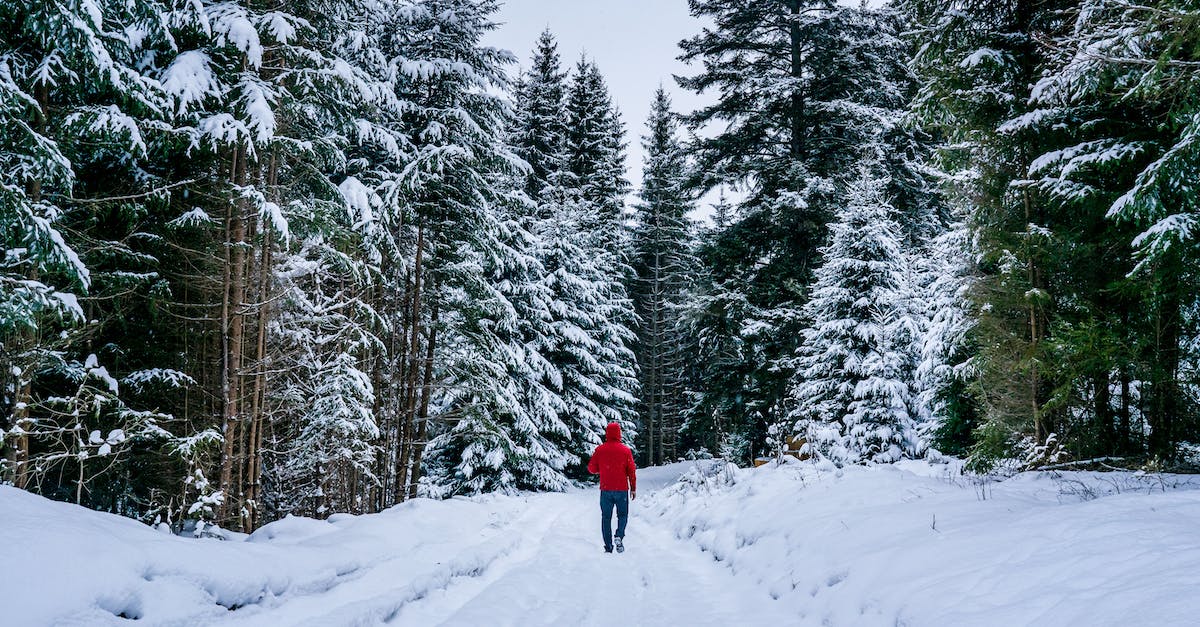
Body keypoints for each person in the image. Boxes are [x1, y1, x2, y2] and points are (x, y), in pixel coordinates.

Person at [587, 422, 637, 553]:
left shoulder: (600, 450)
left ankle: (608, 547)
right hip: (621, 490)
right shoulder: (626, 451)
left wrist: (602, 469)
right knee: (622, 515)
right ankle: (619, 535)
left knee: (606, 518)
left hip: (606, 489)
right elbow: (631, 470)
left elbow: (591, 468)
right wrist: (633, 488)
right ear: (619, 433)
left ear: (607, 433)